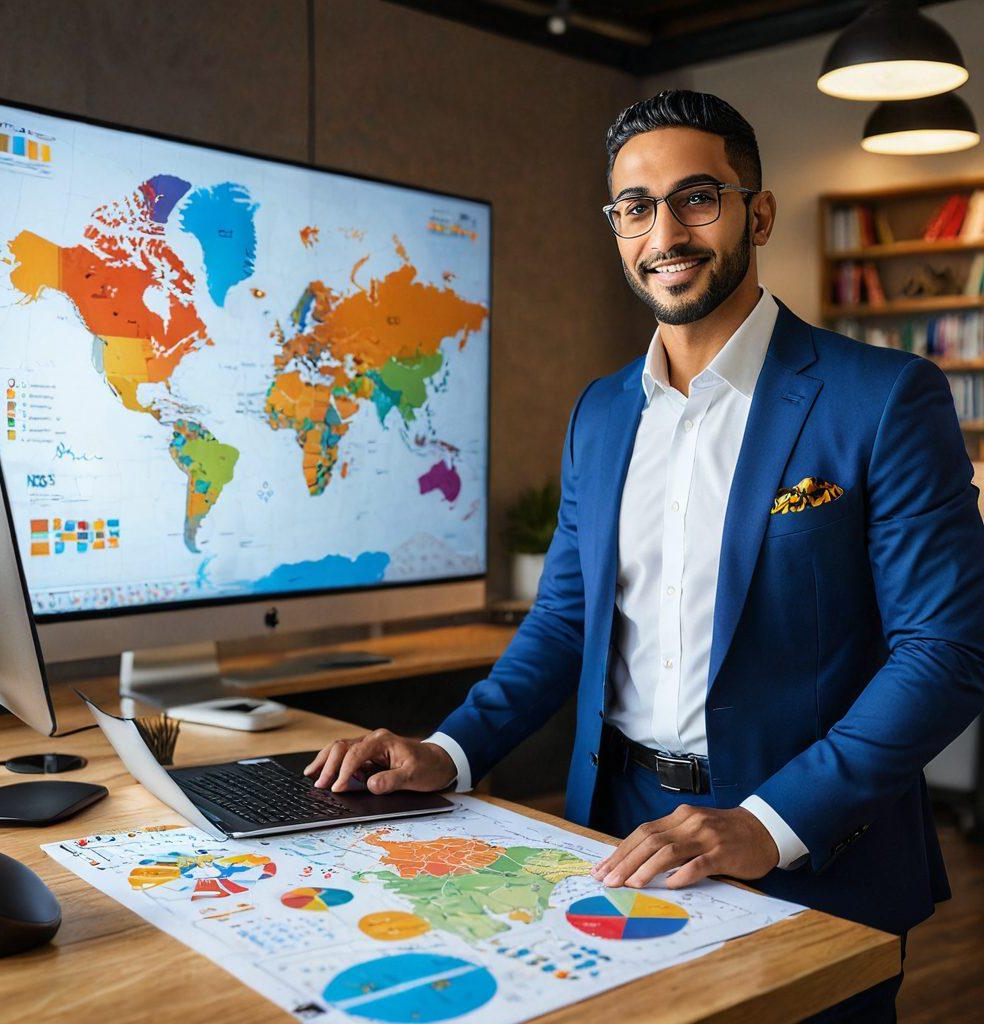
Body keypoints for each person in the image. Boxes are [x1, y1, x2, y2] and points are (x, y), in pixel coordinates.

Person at [305, 89, 984, 1021]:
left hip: (812, 850)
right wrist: (449, 750)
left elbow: (945, 652)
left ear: (758, 213)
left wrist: (768, 823)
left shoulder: (885, 396)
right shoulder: (600, 412)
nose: (665, 233)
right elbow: (565, 622)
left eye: (697, 198)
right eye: (635, 207)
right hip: (613, 840)